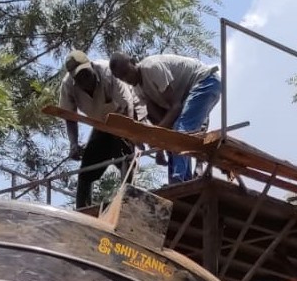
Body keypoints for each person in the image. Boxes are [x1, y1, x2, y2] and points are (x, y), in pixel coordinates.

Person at [108, 53, 222, 184]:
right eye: (121, 78)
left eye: (126, 72)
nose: (126, 79)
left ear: (133, 62)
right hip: (190, 95)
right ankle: (185, 181)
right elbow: (161, 123)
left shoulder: (151, 67)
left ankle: (177, 180)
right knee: (175, 134)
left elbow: (176, 107)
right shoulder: (138, 90)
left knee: (181, 130)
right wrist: (160, 146)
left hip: (206, 81)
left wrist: (153, 136)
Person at [57, 50, 147, 209]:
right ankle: (82, 210)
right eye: (79, 78)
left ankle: (128, 203)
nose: (85, 80)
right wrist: (73, 144)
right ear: (73, 78)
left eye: (86, 74)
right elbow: (69, 117)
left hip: (125, 116)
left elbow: (127, 106)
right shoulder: (68, 86)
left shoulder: (107, 73)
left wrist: (130, 135)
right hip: (101, 123)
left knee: (125, 158)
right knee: (86, 169)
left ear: (91, 66)